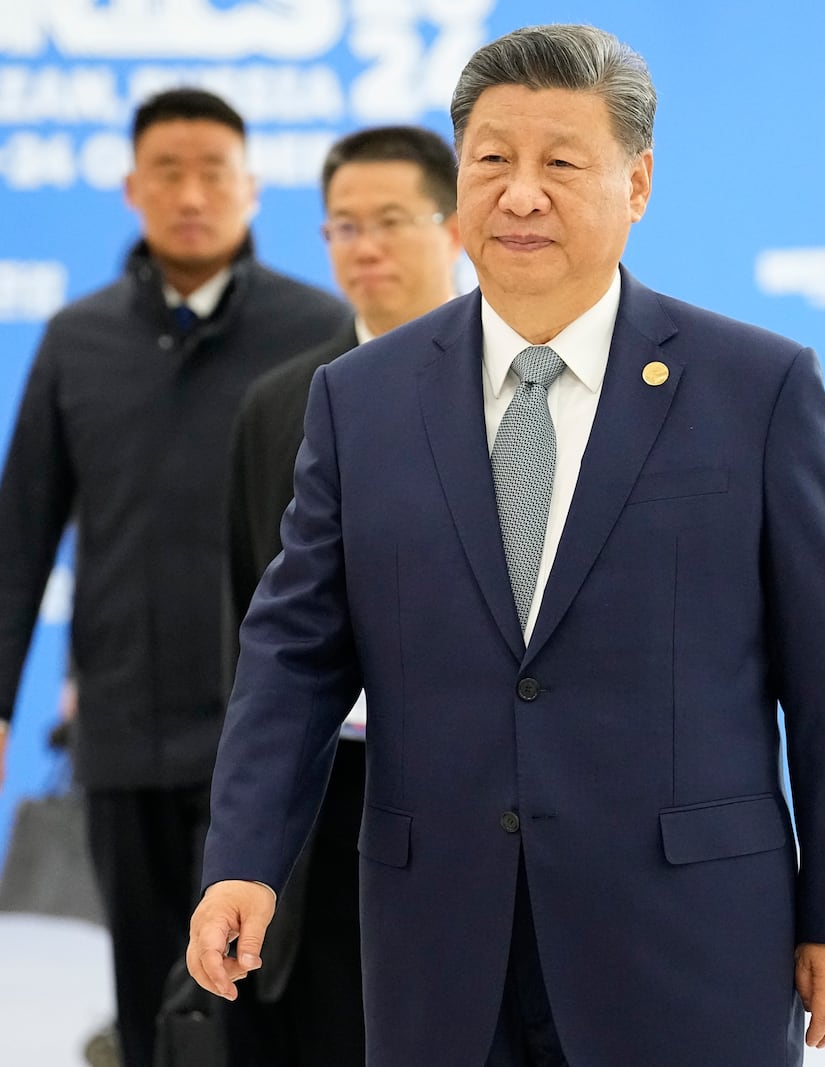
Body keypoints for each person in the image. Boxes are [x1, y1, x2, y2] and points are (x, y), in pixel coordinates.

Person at [187, 24, 825, 1067]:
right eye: (492, 161)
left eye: (561, 163)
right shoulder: (359, 398)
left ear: (638, 183)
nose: (521, 194)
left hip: (687, 934)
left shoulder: (756, 387)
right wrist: (243, 857)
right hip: (441, 934)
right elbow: (294, 650)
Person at [0, 88, 349, 1067]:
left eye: (214, 170)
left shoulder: (319, 330)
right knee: (145, 990)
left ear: (252, 188)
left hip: (271, 732)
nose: (191, 193)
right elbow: (18, 528)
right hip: (124, 725)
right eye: (167, 172)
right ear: (131, 189)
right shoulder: (75, 339)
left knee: (282, 987)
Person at [223, 124, 463, 1066]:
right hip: (329, 792)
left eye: (391, 221)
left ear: (453, 227)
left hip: (472, 784)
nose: (365, 246)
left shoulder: (520, 387)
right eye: (342, 226)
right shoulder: (282, 402)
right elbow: (254, 620)